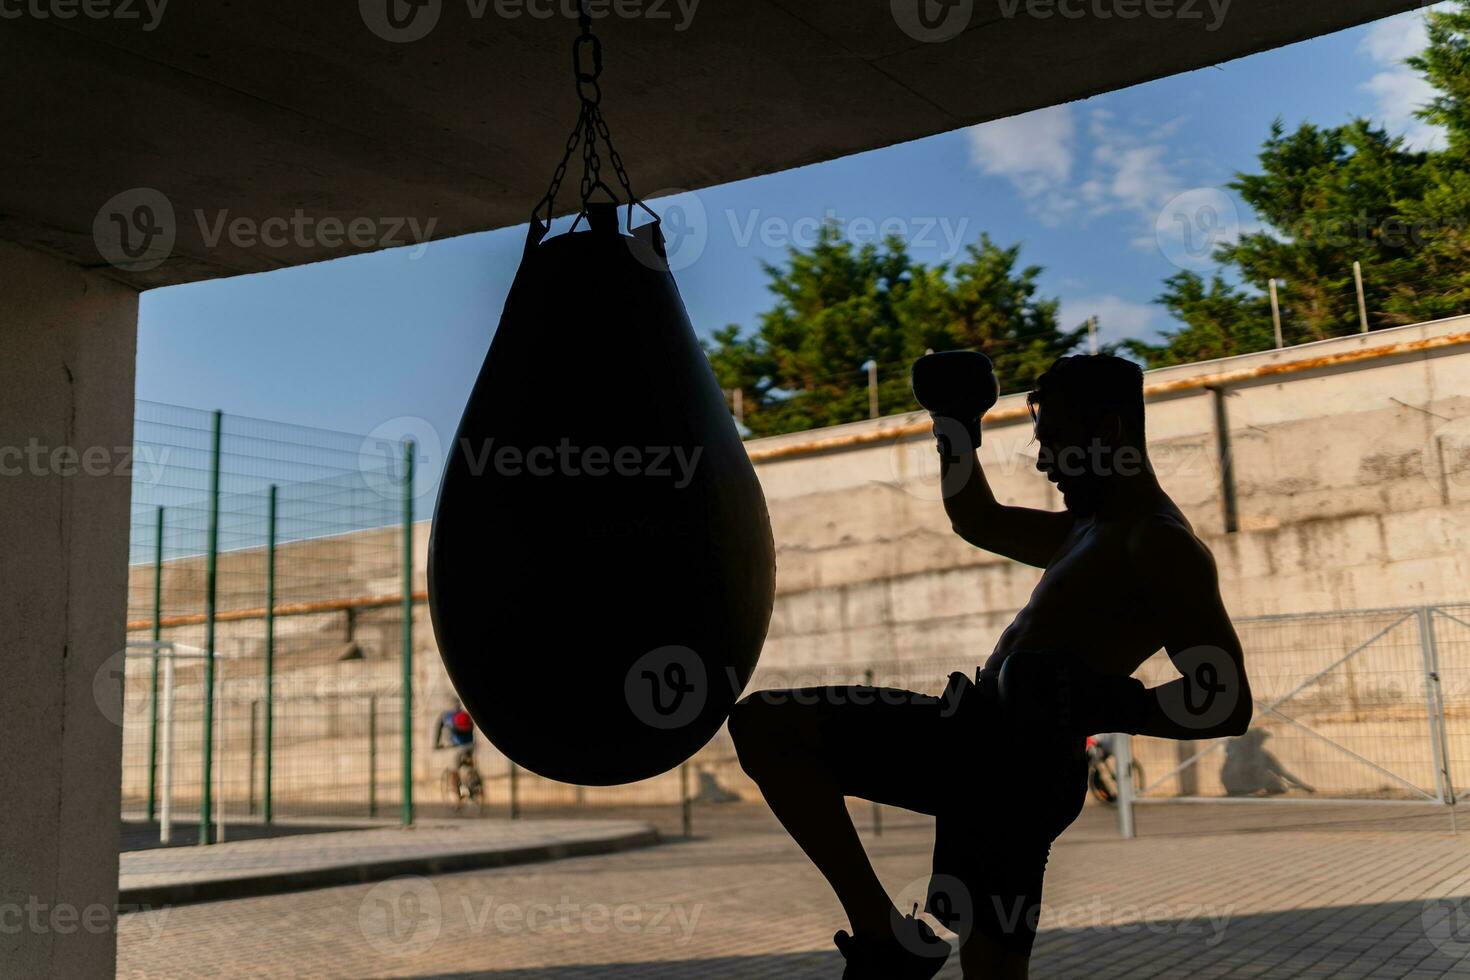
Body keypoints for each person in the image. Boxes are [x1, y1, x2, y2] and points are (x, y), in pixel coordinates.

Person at [729, 353, 1253, 980]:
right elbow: (975, 519)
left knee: (770, 725)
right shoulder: (1088, 529)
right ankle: (883, 933)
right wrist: (952, 427)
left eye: (1054, 443)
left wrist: (1105, 703)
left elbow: (1227, 701)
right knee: (992, 965)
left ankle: (886, 937)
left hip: (1018, 767)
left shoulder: (1157, 542)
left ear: (1108, 434)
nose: (1042, 462)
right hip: (983, 744)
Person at [1222, 728, 1315, 796]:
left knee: (1269, 776)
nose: (1263, 742)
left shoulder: (1234, 750)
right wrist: (1303, 786)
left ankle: (1247, 793)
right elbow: (1282, 773)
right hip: (1245, 785)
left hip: (1231, 787)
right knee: (1273, 781)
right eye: (1262, 739)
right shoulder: (1261, 755)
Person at [434, 700, 477, 804]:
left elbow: (438, 729)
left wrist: (436, 744)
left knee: (453, 769)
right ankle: (473, 781)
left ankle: (458, 795)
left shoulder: (446, 716)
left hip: (457, 747)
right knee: (468, 765)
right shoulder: (466, 714)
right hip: (471, 745)